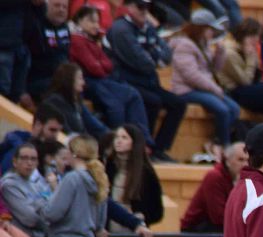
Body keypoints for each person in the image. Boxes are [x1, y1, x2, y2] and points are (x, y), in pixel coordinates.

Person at [69, 5, 157, 151]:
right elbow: (94, 68)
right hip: (88, 82)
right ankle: (116, 143)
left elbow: (108, 64)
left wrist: (101, 66)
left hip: (101, 80)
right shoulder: (77, 40)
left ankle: (143, 141)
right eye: (91, 21)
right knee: (115, 105)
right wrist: (101, 66)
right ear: (79, 21)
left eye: (97, 22)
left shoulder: (92, 40)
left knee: (133, 94)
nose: (96, 25)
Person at [106, 0, 186, 162]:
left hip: (148, 82)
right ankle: (144, 147)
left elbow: (166, 55)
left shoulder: (148, 28)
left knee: (178, 103)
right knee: (152, 101)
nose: (145, 10)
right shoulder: (121, 29)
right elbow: (140, 61)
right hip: (126, 81)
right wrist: (154, 57)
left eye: (148, 7)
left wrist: (153, 58)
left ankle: (159, 148)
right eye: (140, 6)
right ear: (128, 7)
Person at [170, 9, 240, 151]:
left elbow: (215, 69)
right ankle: (224, 146)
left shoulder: (204, 44)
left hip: (203, 88)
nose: (212, 33)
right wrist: (214, 89)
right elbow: (192, 75)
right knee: (222, 109)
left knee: (234, 108)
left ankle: (216, 141)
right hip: (186, 89)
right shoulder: (184, 45)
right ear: (200, 28)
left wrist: (220, 53)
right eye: (209, 29)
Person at [41, 62, 107, 139]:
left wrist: (111, 137)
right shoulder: (54, 102)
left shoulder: (76, 101)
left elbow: (93, 124)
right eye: (80, 78)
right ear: (69, 79)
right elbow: (66, 131)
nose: (83, 83)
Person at [24, 0, 71, 103]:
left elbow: (66, 56)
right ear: (47, 6)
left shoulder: (65, 28)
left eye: (64, 7)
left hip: (58, 78)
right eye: (57, 5)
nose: (61, 10)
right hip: (37, 80)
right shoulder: (36, 26)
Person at [0, 104, 64, 173]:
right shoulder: (15, 149)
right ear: (38, 125)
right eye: (52, 130)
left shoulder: (54, 153)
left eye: (58, 131)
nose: (55, 136)